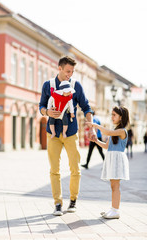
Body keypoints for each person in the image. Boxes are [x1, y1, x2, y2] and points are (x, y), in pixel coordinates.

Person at [39, 56, 96, 216]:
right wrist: (47, 112)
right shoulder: (48, 85)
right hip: (53, 135)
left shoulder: (75, 85)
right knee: (54, 170)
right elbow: (41, 106)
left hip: (71, 132)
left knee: (75, 168)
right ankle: (57, 203)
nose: (69, 74)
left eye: (72, 71)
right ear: (59, 68)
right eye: (67, 71)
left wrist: (90, 127)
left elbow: (86, 107)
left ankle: (73, 200)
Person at [86, 106, 130, 219]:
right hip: (111, 158)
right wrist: (96, 141)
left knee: (116, 186)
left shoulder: (122, 131)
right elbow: (106, 146)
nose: (112, 117)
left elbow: (108, 132)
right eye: (112, 114)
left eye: (114, 115)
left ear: (121, 117)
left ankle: (116, 210)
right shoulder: (115, 131)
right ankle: (113, 208)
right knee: (113, 186)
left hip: (117, 159)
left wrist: (95, 125)